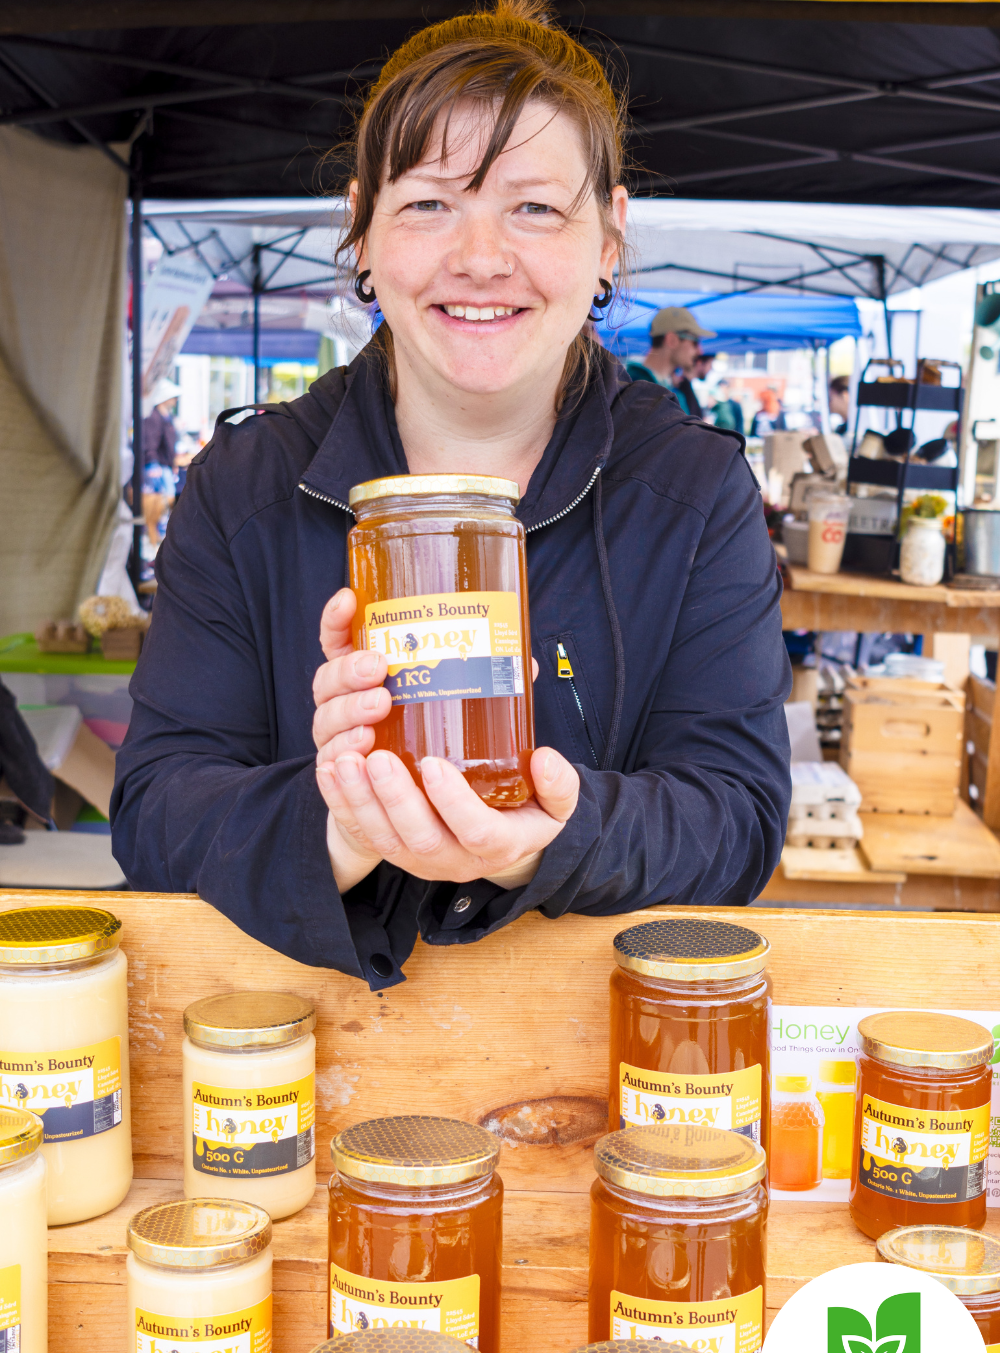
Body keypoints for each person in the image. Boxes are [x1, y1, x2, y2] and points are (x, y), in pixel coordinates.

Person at [111, 0, 791, 988]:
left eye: (535, 207)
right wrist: (338, 824)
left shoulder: (692, 489)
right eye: (429, 203)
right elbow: (156, 812)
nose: (480, 257)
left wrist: (539, 838)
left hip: (593, 1061)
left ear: (608, 235)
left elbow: (736, 820)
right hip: (295, 1048)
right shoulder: (244, 486)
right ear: (364, 231)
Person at [624, 306, 715, 417]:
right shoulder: (634, 389)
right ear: (672, 340)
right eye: (695, 342)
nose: (700, 351)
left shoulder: (671, 391)